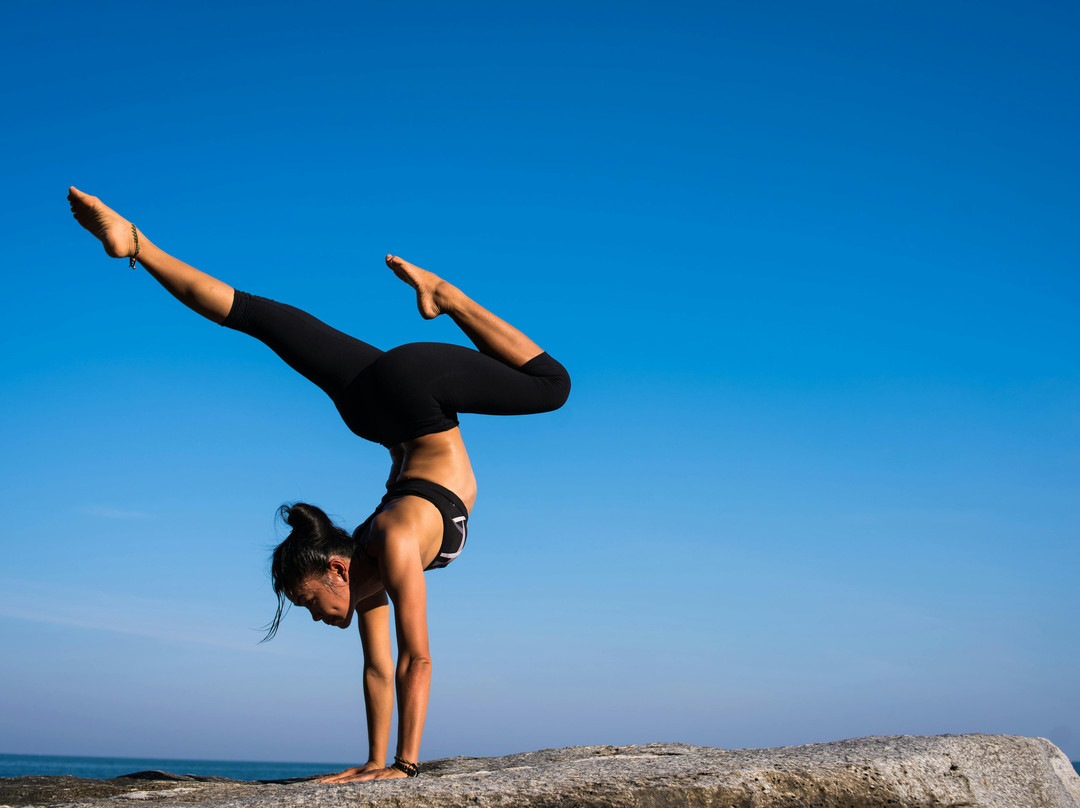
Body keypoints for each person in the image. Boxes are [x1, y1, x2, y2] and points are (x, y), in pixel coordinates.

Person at [67, 187, 570, 782]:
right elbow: (380, 670)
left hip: (417, 396)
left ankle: (447, 296)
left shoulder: (394, 541)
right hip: (375, 409)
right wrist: (373, 764)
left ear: (336, 568)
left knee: (551, 386)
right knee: (255, 316)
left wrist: (405, 768)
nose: (314, 617)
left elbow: (419, 658)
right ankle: (137, 246)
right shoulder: (370, 569)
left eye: (307, 601)